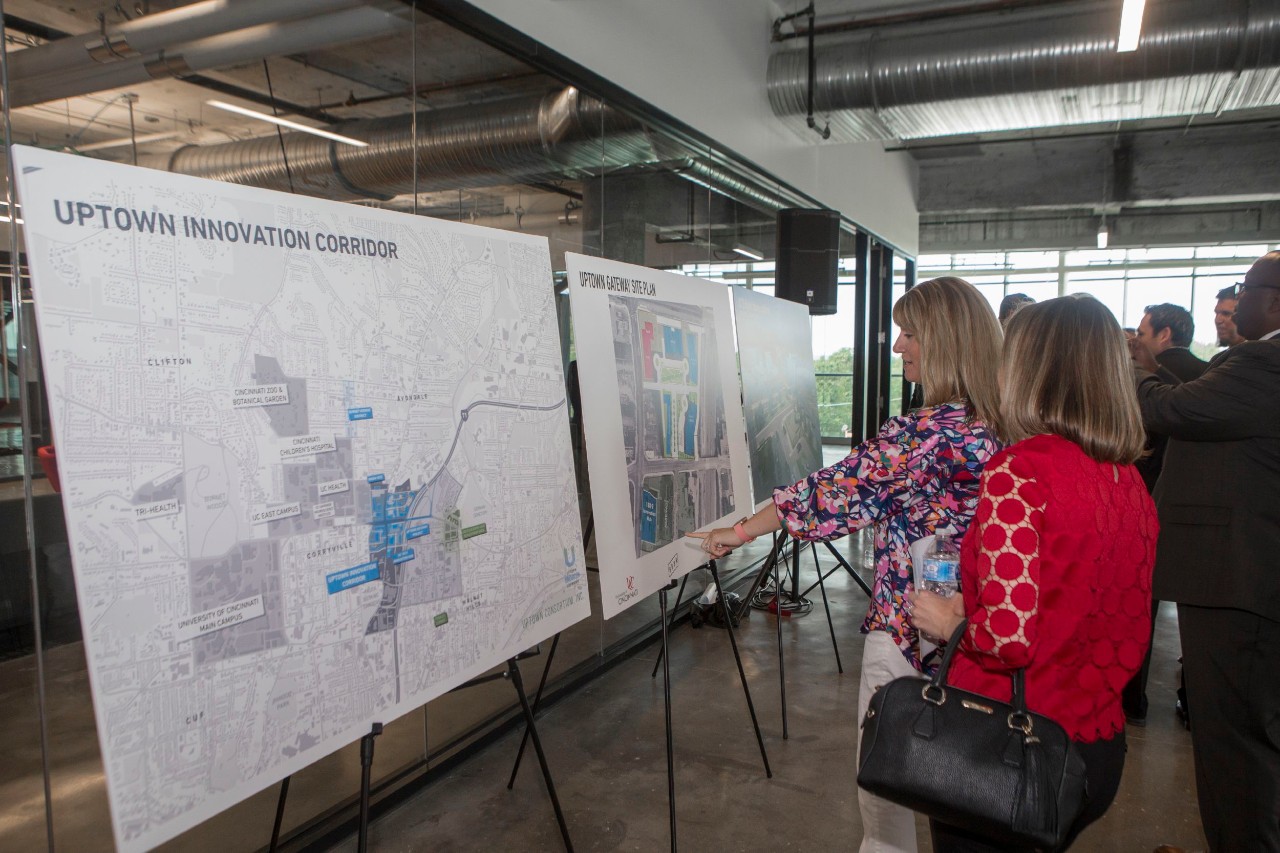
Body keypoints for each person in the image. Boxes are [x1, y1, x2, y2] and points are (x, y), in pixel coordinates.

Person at [689, 276, 1003, 853]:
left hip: (909, 630)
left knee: (886, 796)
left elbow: (828, 492)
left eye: (910, 333)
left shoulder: (926, 435)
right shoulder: (1005, 429)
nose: (899, 345)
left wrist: (738, 533)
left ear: (947, 340)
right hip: (977, 630)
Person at [911, 294, 1157, 853]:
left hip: (1006, 746)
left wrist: (949, 623)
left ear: (1029, 370)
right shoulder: (1127, 481)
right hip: (1093, 745)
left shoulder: (1019, 473)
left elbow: (1007, 638)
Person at [1131, 251, 1280, 853]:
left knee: (1233, 745)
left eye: (1246, 289)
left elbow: (1172, 409)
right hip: (1245, 577)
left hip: (1238, 579)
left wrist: (1126, 368)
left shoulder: (1264, 360)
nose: (1235, 302)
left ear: (1274, 301)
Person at [1132, 303, 1208, 384]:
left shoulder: (1139, 372)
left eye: (1141, 334)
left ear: (1164, 335)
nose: (1135, 340)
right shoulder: (1210, 372)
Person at [1213, 284, 1246, 348]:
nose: (1217, 320)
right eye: (1216, 313)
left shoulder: (1261, 352)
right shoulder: (1224, 355)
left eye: (1226, 314)